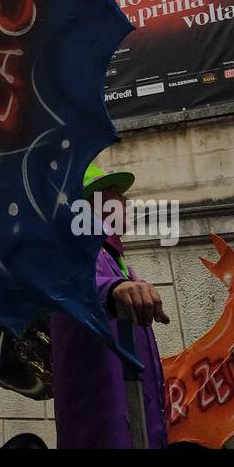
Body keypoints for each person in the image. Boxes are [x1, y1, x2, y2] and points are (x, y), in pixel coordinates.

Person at [49, 164, 171, 448]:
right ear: (91, 204)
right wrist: (113, 289)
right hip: (104, 430)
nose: (126, 202)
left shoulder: (113, 259)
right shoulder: (76, 246)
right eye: (115, 193)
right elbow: (71, 283)